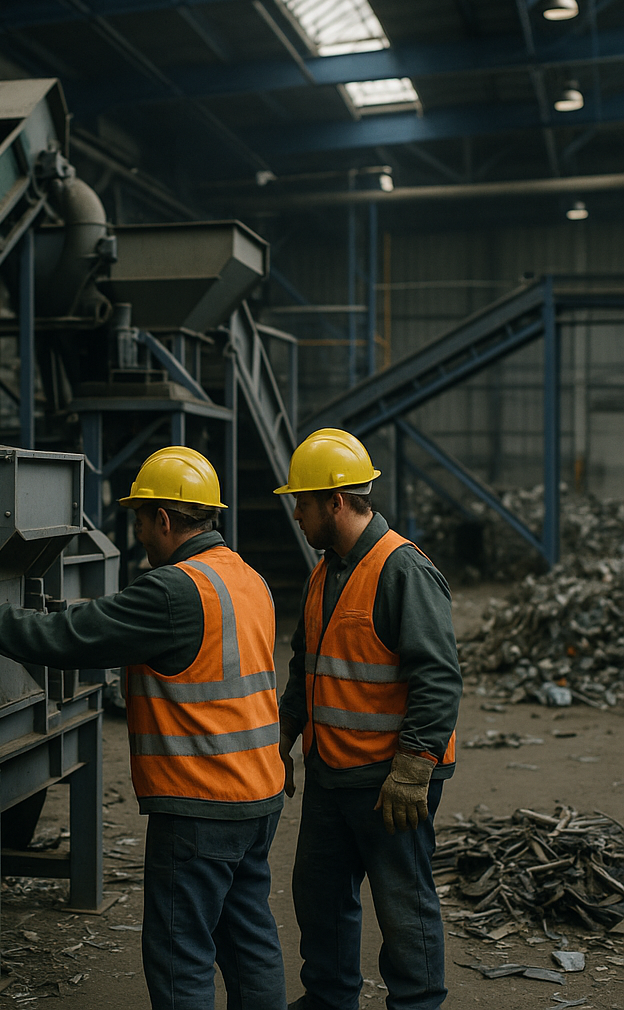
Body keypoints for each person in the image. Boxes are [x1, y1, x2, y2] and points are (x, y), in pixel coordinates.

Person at [0, 445, 288, 1010]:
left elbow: (59, 641)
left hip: (200, 802)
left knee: (180, 953)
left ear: (163, 519)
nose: (137, 531)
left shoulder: (171, 591)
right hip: (258, 794)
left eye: (140, 518)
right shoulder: (248, 579)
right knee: (249, 941)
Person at [274, 428, 461, 1010]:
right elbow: (308, 664)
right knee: (319, 893)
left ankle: (417, 1003)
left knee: (403, 903)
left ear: (335, 501)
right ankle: (329, 999)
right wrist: (282, 736)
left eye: (302, 502)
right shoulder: (325, 571)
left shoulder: (402, 568)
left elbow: (438, 675)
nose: (297, 515)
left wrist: (413, 768)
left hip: (390, 780)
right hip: (333, 772)